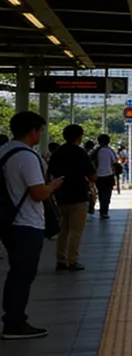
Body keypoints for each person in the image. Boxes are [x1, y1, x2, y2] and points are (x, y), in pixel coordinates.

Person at [1, 111, 64, 339]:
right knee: (23, 274)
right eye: (40, 130)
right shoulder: (27, 156)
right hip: (26, 223)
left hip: (9, 221)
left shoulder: (4, 150)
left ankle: (13, 318)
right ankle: (15, 322)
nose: (41, 135)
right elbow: (37, 193)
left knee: (17, 272)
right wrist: (53, 186)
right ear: (32, 131)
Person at [48, 124, 96, 271]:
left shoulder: (57, 152)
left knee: (64, 228)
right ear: (80, 136)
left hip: (61, 195)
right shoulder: (80, 153)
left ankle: (60, 260)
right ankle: (72, 260)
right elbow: (93, 175)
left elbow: (50, 172)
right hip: (79, 195)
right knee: (76, 230)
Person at [93, 135, 119, 219]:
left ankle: (102, 209)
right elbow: (115, 161)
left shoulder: (96, 151)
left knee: (100, 193)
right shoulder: (110, 151)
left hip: (98, 176)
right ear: (108, 141)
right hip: (108, 175)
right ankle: (104, 211)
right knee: (107, 194)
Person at [83, 139, 96, 214]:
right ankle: (90, 208)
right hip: (87, 178)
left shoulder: (83, 152)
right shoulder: (85, 155)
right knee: (91, 192)